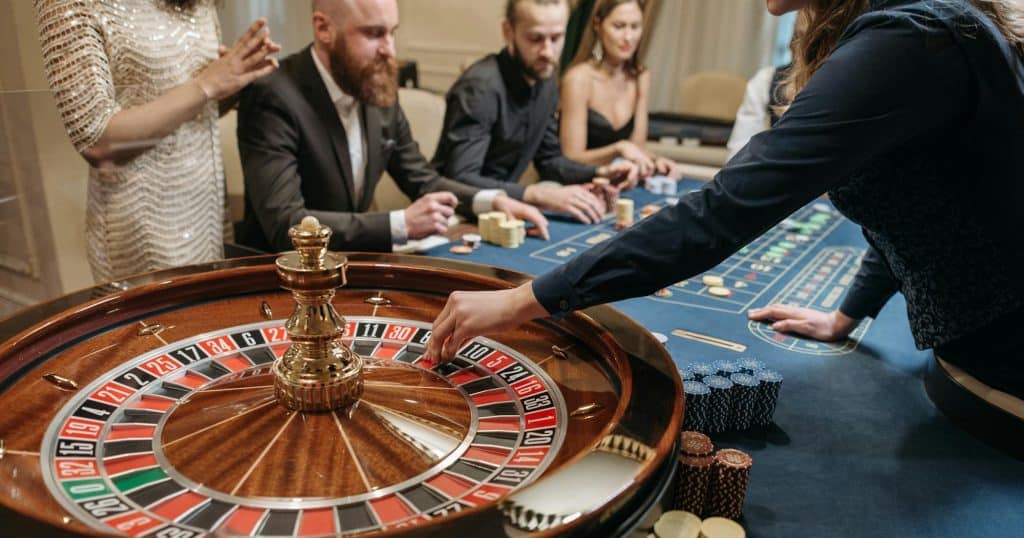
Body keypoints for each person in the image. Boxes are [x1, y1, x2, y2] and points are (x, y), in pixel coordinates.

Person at [426, 0, 1024, 399]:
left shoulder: (906, 41)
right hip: (978, 350)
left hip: (1003, 366)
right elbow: (914, 188)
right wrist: (849, 312)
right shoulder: (903, 25)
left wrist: (524, 300)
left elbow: (722, 212)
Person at [236, 0, 547, 253]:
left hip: (348, 267)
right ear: (323, 28)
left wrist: (492, 201)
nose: (390, 50)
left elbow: (423, 180)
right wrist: (401, 224)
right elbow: (287, 225)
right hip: (278, 280)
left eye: (392, 32)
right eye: (373, 34)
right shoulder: (272, 95)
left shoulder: (373, 84)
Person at [35, 0, 280, 284]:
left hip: (207, 214)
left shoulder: (198, 4)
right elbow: (96, 141)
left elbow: (184, 110)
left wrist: (235, 80)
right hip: (141, 230)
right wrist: (206, 85)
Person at [431, 0, 638, 225]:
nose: (548, 52)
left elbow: (549, 160)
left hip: (502, 212)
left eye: (556, 38)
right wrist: (536, 194)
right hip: (452, 216)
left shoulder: (546, 80)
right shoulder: (479, 88)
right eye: (536, 39)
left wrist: (601, 172)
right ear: (508, 32)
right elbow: (460, 178)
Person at [559, 0, 680, 180]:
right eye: (619, 26)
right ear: (598, 26)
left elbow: (636, 148)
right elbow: (570, 158)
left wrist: (656, 160)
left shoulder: (641, 76)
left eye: (635, 26)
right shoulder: (578, 79)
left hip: (619, 182)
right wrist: (618, 149)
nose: (628, 37)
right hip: (574, 184)